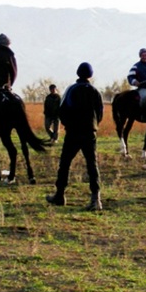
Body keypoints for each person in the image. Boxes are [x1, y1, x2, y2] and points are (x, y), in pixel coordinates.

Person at [46, 62, 104, 211]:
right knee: (92, 164)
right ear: (90, 75)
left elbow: (62, 110)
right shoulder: (94, 91)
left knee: (65, 163)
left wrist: (68, 125)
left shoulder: (71, 89)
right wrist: (93, 126)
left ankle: (60, 195)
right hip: (90, 132)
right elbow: (100, 112)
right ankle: (96, 198)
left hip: (73, 132)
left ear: (78, 73)